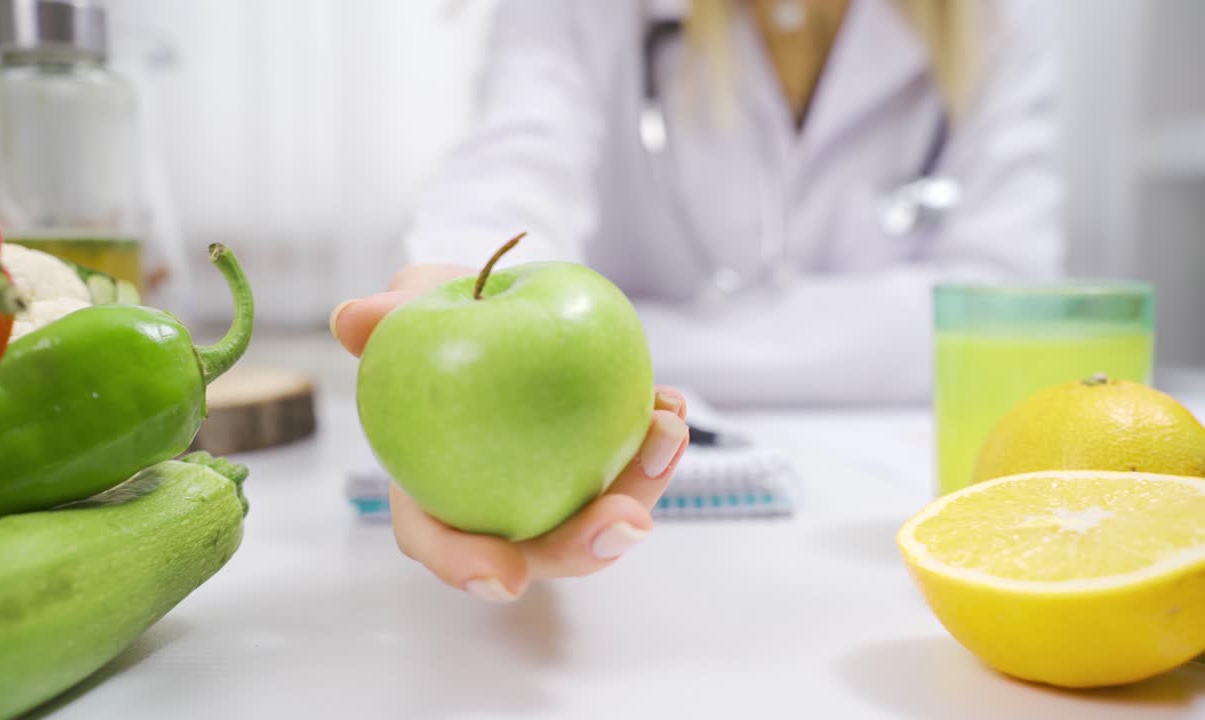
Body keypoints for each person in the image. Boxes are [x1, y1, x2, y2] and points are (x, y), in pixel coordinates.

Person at [330, 0, 1062, 601]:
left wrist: (622, 354)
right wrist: (454, 312)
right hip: (658, 584)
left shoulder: (1001, 20)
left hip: (893, 533)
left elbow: (1003, 311)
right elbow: (515, 162)